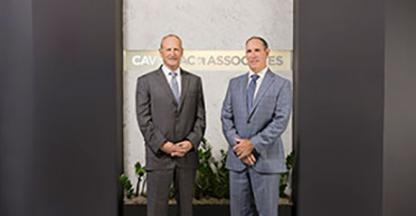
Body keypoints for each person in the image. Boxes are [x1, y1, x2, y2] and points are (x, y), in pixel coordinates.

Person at [221, 36, 292, 216]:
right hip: (238, 162)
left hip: (266, 161)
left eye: (257, 50)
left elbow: (280, 121)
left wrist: (252, 145)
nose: (252, 55)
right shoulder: (234, 83)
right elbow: (226, 117)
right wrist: (240, 147)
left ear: (267, 53)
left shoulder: (282, 85)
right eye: (249, 51)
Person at [136, 34, 206, 216]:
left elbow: (200, 119)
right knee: (156, 211)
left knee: (186, 210)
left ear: (182, 52)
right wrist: (163, 145)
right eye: (168, 49)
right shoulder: (146, 81)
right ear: (161, 52)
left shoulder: (194, 81)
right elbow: (144, 120)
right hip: (159, 157)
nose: (172, 53)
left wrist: (190, 143)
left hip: (186, 157)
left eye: (176, 49)